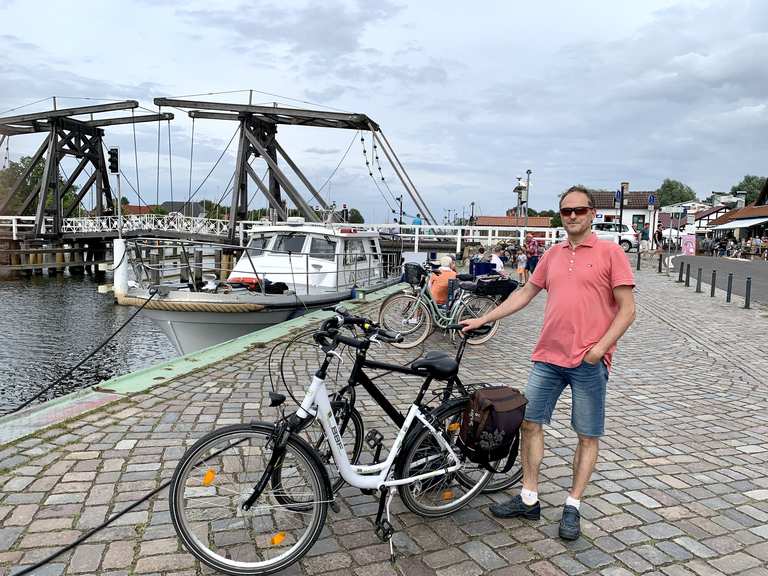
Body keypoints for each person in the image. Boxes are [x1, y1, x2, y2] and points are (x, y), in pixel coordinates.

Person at [461, 185, 636, 541]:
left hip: (588, 361)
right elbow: (525, 293)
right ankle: (529, 498)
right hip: (548, 357)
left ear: (592, 215)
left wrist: (600, 349)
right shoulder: (552, 255)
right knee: (529, 424)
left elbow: (628, 309)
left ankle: (573, 505)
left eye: (579, 210)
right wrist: (484, 319)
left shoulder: (610, 253)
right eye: (566, 211)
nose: (572, 216)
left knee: (586, 435)